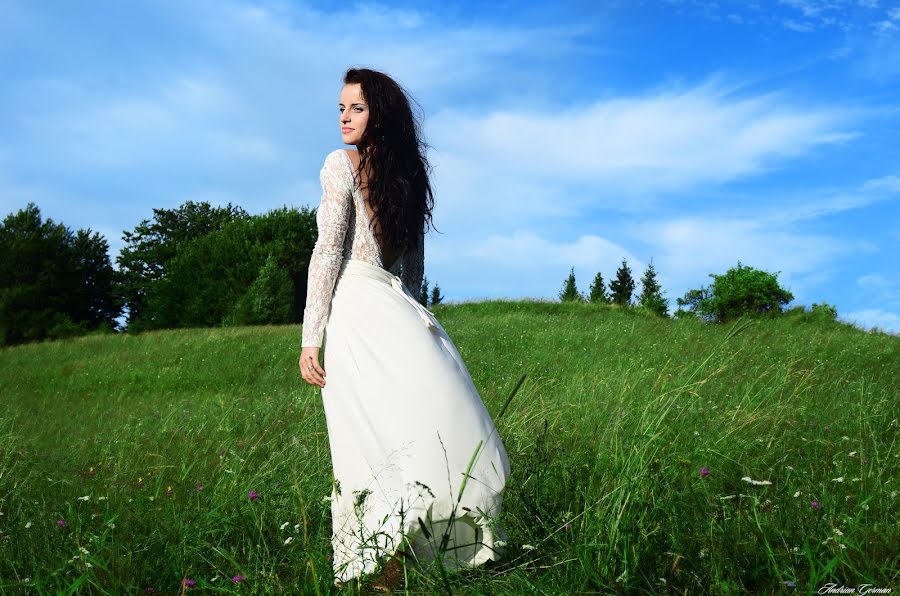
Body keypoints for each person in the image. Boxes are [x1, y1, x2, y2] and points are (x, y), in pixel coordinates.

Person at [297, 67, 511, 590]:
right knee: (413, 432)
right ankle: (406, 563)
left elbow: (328, 250)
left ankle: (378, 570)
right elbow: (412, 272)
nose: (345, 118)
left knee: (367, 441)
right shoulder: (407, 183)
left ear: (379, 116)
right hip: (398, 312)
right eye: (342, 108)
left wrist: (310, 335)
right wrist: (412, 319)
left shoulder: (339, 166)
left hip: (355, 311)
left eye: (357, 109)